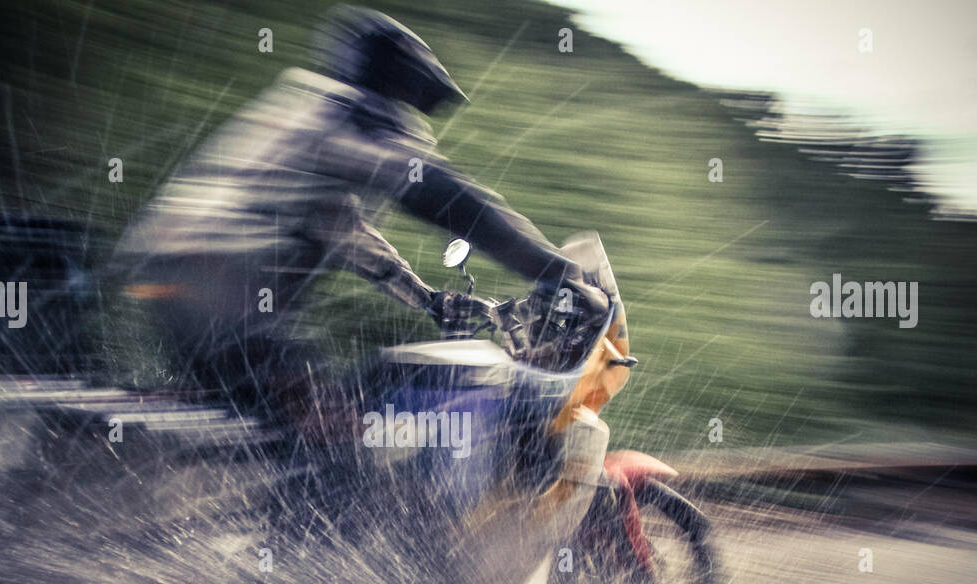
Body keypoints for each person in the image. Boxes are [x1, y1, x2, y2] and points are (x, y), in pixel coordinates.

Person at [112, 4, 609, 427]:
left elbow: (350, 237)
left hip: (173, 276)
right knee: (346, 427)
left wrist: (429, 300)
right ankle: (320, 544)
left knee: (270, 420)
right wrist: (554, 270)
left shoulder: (305, 120)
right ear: (398, 85)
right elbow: (445, 195)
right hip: (226, 283)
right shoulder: (355, 113)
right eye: (416, 106)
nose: (416, 125)